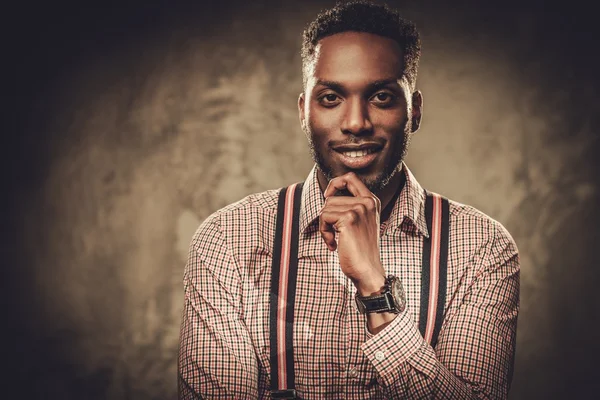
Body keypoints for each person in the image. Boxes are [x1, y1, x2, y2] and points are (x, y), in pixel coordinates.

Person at [178, 1, 520, 399]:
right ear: (304, 112)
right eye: (330, 98)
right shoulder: (227, 240)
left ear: (414, 112)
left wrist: (376, 290)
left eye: (381, 97)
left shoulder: (482, 247)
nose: (356, 122)